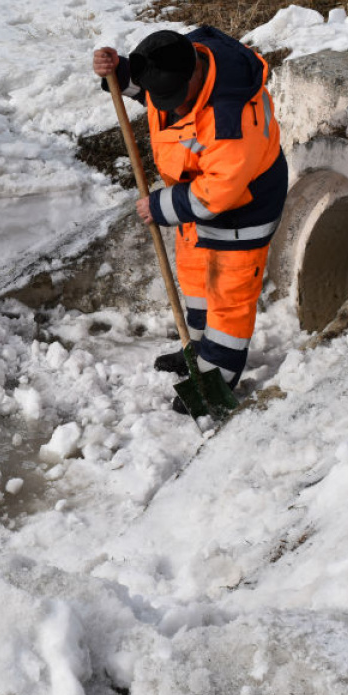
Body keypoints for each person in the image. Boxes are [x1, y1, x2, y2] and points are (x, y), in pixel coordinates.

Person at [93, 27, 287, 413]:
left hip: (240, 210)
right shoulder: (185, 58)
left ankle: (216, 377)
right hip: (194, 202)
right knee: (196, 280)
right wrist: (122, 71)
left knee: (227, 299)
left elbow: (220, 191)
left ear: (195, 78)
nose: (167, 108)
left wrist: (162, 207)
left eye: (172, 100)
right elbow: (153, 90)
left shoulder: (230, 118)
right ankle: (198, 349)